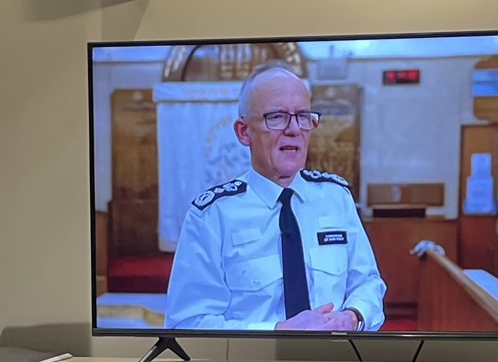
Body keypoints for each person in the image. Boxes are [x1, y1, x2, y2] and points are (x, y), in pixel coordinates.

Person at [164, 63, 386, 332]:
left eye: (303, 116)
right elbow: (188, 324)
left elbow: (368, 283)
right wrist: (277, 332)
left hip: (336, 355)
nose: (294, 129)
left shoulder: (336, 198)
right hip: (254, 359)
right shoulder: (212, 217)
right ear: (244, 132)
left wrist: (353, 316)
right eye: (277, 117)